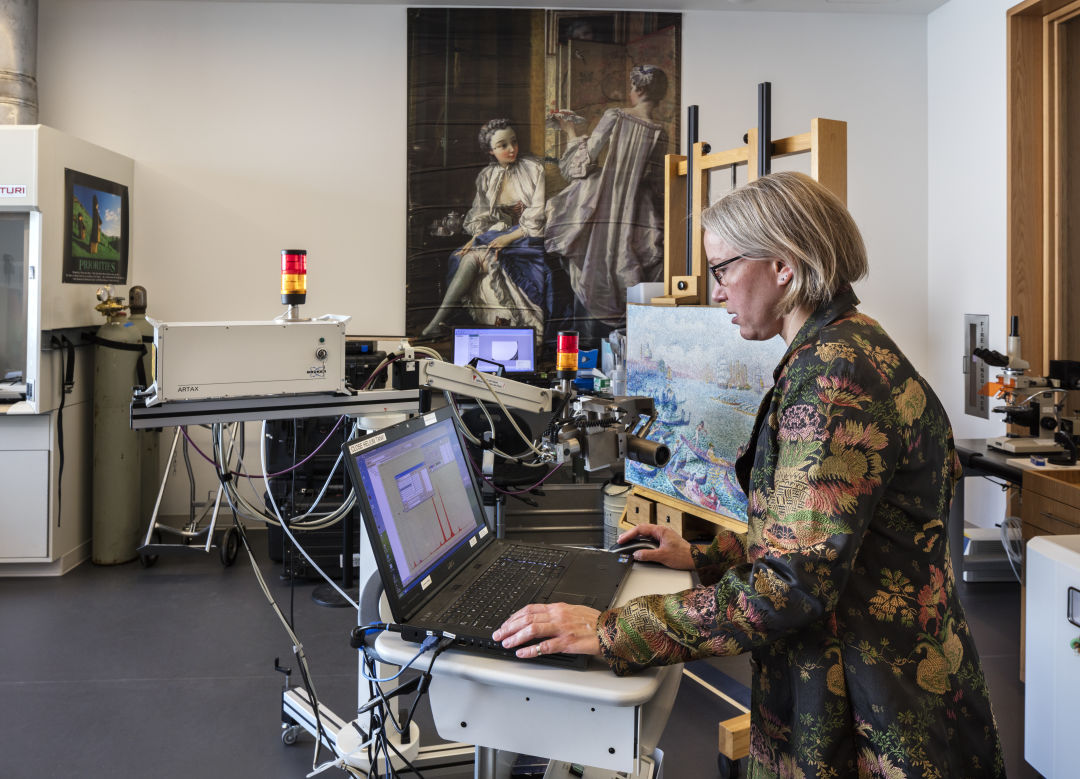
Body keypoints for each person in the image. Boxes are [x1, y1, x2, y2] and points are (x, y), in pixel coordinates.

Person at [494, 172, 1005, 777]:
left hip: (873, 710)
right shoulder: (843, 346)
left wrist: (611, 632)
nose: (717, 293)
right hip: (875, 679)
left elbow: (791, 585)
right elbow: (825, 537)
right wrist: (704, 554)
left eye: (722, 270)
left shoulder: (833, 382)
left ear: (784, 266)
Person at [545, 64, 667, 331]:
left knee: (589, 254)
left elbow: (579, 166)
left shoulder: (616, 115)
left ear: (638, 88)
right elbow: (657, 181)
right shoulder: (660, 130)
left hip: (602, 198)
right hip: (636, 206)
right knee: (626, 258)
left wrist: (570, 131)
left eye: (632, 87)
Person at [422, 119, 554, 339]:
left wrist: (508, 238)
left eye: (514, 142)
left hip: (528, 239)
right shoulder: (486, 177)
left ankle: (436, 322)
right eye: (503, 145)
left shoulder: (533, 169)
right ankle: (437, 322)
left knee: (474, 258)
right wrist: (477, 238)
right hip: (497, 236)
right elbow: (481, 217)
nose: (512, 149)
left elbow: (538, 215)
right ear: (491, 151)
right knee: (463, 256)